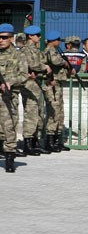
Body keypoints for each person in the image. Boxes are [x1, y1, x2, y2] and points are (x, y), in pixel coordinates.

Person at [18, 26, 50, 156]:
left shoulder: (36, 50)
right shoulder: (26, 50)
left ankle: (34, 142)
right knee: (31, 113)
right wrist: (45, 66)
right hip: (29, 84)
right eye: (37, 35)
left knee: (38, 113)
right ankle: (27, 144)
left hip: (37, 83)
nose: (39, 37)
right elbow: (31, 65)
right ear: (30, 36)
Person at [0, 23, 27, 172]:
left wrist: (11, 82)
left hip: (9, 96)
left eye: (4, 37)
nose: (0, 40)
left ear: (11, 38)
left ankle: (9, 159)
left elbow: (24, 76)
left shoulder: (19, 55)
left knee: (9, 127)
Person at [43, 30, 74, 152]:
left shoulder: (56, 51)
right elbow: (56, 61)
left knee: (60, 113)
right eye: (58, 40)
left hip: (57, 85)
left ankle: (57, 140)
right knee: (54, 112)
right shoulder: (50, 51)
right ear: (54, 40)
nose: (59, 42)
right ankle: (50, 141)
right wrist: (65, 63)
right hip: (52, 85)